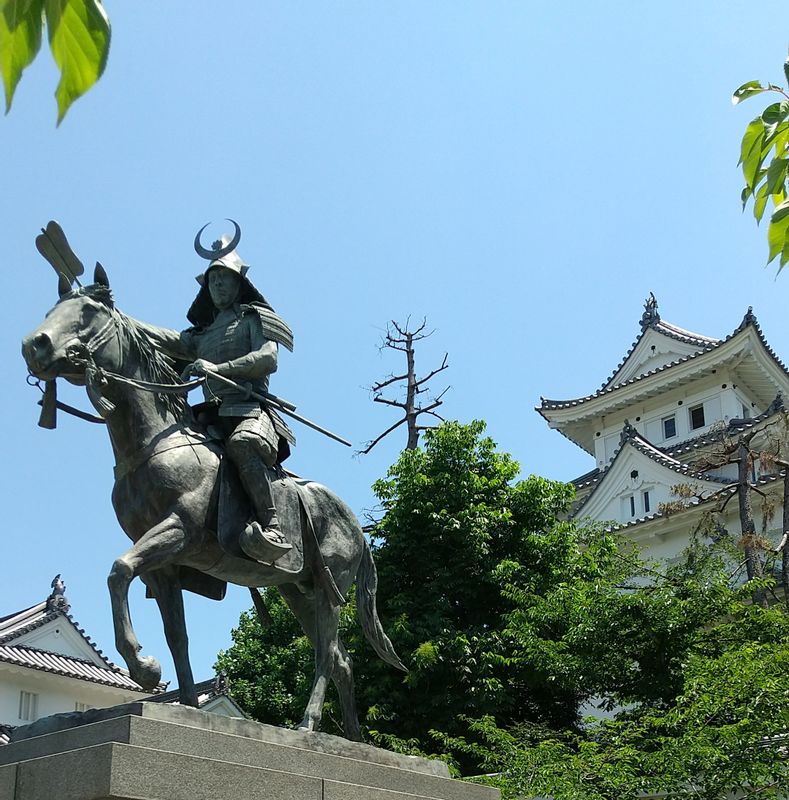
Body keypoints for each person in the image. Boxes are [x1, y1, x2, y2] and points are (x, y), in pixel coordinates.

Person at [143, 223, 295, 564]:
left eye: (224, 278)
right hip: (211, 413)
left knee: (242, 446)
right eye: (212, 280)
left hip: (251, 410)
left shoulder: (254, 318)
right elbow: (170, 340)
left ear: (239, 282)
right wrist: (121, 321)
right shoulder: (202, 334)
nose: (217, 285)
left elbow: (268, 358)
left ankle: (273, 526)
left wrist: (217, 370)